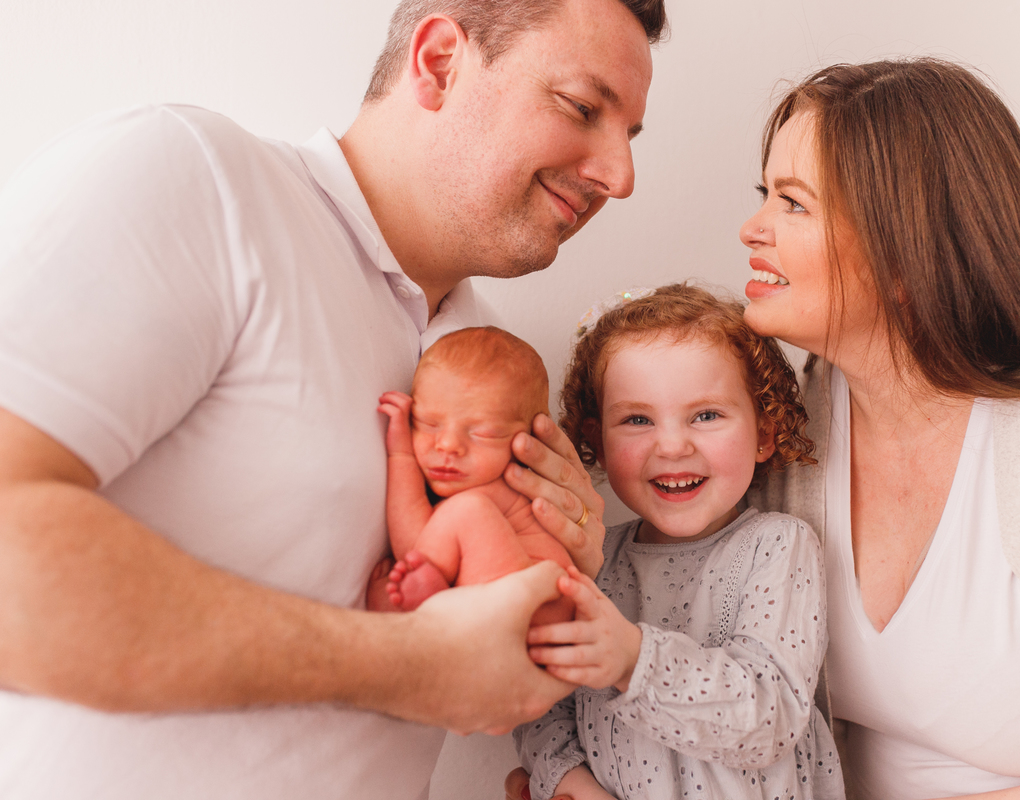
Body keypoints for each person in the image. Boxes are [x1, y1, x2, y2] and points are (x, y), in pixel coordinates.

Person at [0, 0, 665, 796]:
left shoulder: (484, 361)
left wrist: (547, 574)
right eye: (584, 109)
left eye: (629, 137)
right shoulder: (196, 179)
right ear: (440, 61)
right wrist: (409, 668)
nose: (621, 179)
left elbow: (469, 643)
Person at [737, 59, 1020, 799]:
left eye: (793, 204)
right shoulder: (791, 432)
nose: (751, 229)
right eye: (765, 194)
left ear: (905, 247)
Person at [513, 284, 845, 800]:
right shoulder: (589, 562)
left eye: (706, 415)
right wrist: (567, 782)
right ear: (597, 441)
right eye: (638, 419)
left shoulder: (778, 546)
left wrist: (632, 660)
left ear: (764, 432)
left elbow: (770, 716)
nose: (671, 445)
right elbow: (544, 711)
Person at [367, 326, 573, 626]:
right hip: (503, 617)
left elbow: (413, 546)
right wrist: (400, 449)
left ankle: (425, 607)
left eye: (483, 433)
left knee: (468, 509)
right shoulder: (472, 501)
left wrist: (401, 455)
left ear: (529, 442)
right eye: (426, 422)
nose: (448, 445)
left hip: (537, 606)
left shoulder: (504, 488)